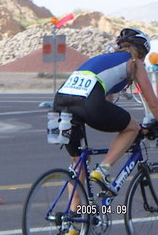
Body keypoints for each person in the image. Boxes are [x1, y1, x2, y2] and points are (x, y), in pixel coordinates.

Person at [53, 28, 158, 207]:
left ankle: (72, 223)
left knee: (79, 166)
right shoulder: (134, 62)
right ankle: (103, 169)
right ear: (142, 53)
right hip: (88, 103)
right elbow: (153, 102)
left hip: (60, 102)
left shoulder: (104, 59)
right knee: (132, 128)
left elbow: (107, 102)